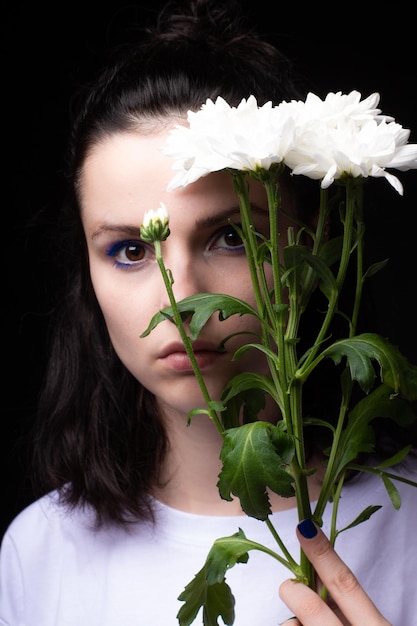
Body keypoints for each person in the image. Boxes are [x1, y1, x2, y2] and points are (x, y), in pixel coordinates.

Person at [1, 0, 416, 624]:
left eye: (230, 238)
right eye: (130, 250)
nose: (180, 300)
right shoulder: (40, 553)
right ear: (86, 274)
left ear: (309, 249)